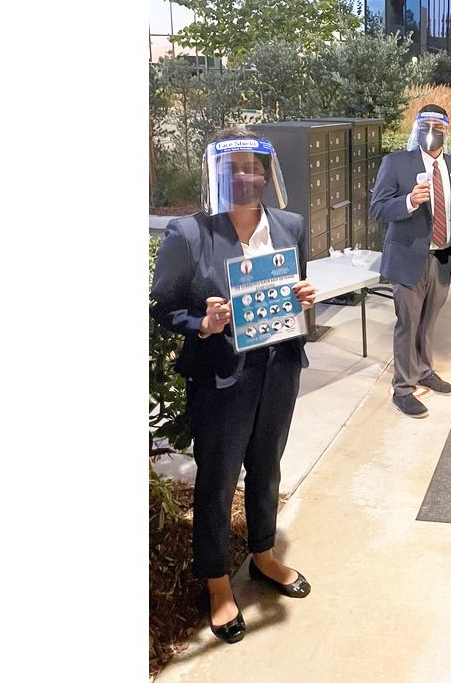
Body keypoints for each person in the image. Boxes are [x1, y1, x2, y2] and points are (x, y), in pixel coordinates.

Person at [150, 128, 318, 645]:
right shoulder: (190, 233)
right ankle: (218, 582)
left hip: (279, 369)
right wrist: (204, 323)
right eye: (236, 168)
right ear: (218, 175)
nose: (248, 177)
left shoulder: (290, 225)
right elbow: (163, 308)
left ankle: (263, 554)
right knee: (218, 481)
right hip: (223, 378)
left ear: (268, 174)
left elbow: (297, 290)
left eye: (255, 167)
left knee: (267, 466)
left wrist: (307, 296)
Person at [370, 105, 451, 418]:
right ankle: (403, 388)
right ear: (416, 128)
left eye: (438, 124)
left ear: (447, 130)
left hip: (443, 259)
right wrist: (408, 201)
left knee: (429, 321)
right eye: (426, 124)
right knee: (408, 322)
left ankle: (424, 370)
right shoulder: (396, 164)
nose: (432, 129)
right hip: (407, 258)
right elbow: (377, 209)